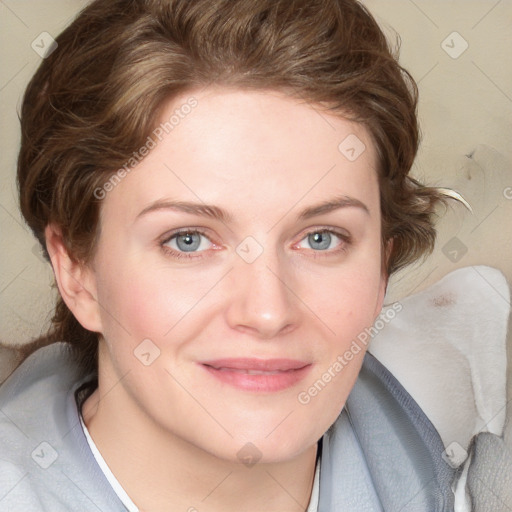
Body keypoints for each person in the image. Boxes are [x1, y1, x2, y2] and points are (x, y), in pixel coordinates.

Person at [0, 0, 464, 510]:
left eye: (320, 238)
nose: (268, 312)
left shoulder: (450, 436)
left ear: (382, 267)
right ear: (77, 272)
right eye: (188, 240)